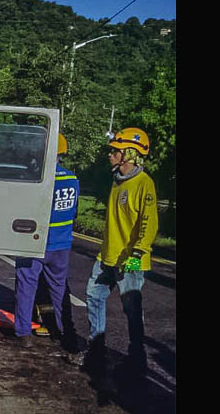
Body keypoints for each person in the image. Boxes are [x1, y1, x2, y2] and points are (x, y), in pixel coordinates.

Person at [80, 127, 159, 379]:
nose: (110, 155)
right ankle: (95, 351)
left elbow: (149, 223)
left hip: (133, 260)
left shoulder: (144, 184)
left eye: (115, 151)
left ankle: (137, 360)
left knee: (132, 308)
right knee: (93, 296)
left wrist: (137, 253)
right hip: (107, 257)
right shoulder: (117, 180)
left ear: (129, 154)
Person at [12, 134, 81, 351]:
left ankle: (23, 333)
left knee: (26, 285)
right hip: (61, 243)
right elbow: (74, 211)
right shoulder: (72, 179)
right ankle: (64, 331)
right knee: (58, 288)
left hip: (36, 242)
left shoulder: (37, 180)